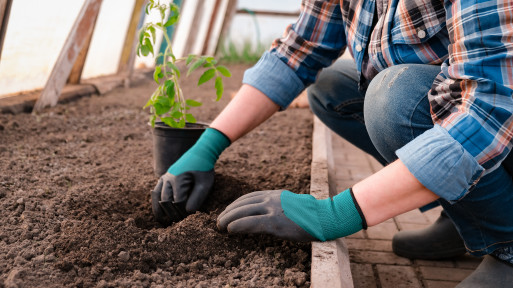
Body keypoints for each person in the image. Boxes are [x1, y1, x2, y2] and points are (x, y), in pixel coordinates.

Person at [152, 0, 513, 286]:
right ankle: (467, 217)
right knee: (333, 88)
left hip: (500, 123)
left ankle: (506, 246)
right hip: (470, 124)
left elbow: (485, 116)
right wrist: (205, 148)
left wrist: (333, 214)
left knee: (394, 98)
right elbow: (299, 50)